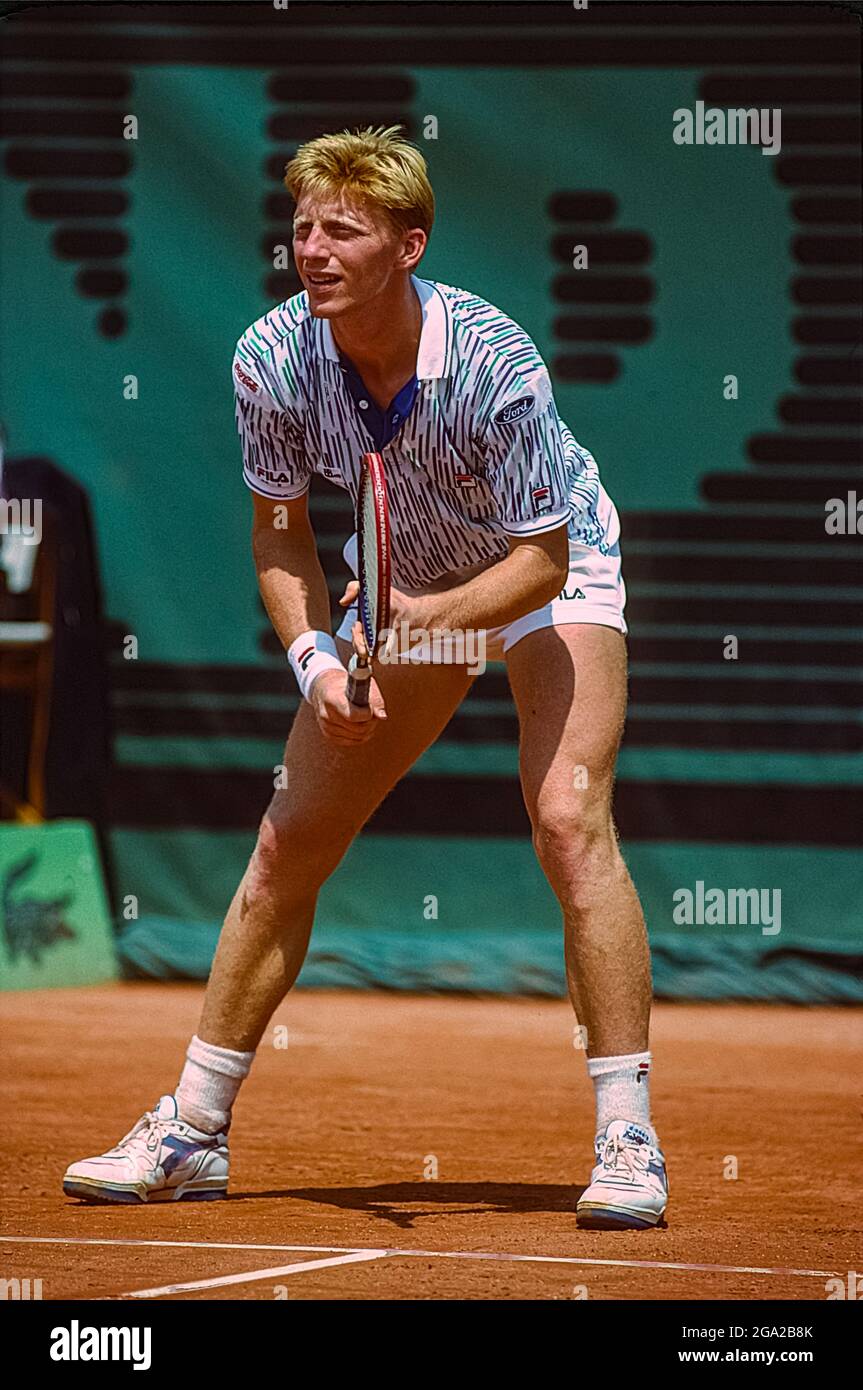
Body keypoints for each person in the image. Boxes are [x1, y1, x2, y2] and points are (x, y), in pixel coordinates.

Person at [64, 127, 668, 1230]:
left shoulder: (493, 358)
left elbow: (545, 556)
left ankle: (626, 1140)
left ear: (407, 243)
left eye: (342, 227)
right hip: (406, 592)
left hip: (542, 577)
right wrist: (315, 660)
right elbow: (279, 532)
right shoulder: (268, 357)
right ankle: (193, 1131)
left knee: (569, 818)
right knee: (290, 836)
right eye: (300, 226)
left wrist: (426, 619)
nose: (312, 247)